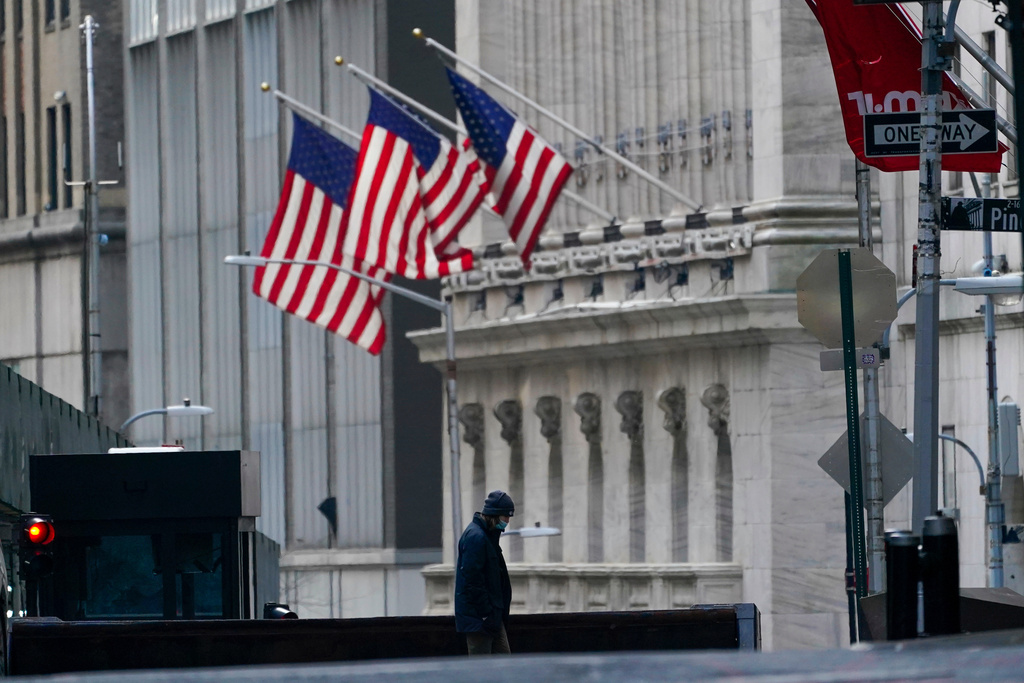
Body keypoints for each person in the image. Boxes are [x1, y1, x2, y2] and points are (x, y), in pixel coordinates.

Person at [454, 490, 515, 655]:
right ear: (494, 515)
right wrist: (485, 614)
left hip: (490, 617)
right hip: (480, 619)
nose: (507, 521)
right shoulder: (477, 537)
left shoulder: (487, 535)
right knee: (481, 670)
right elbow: (473, 580)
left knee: (503, 665)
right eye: (505, 517)